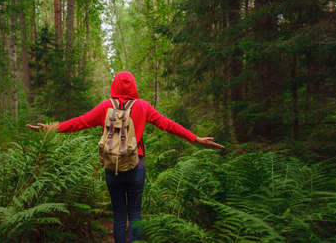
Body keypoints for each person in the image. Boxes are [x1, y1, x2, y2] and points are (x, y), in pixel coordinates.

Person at [27, 71, 224, 243]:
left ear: (114, 86)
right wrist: (195, 138)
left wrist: (49, 128)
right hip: (136, 165)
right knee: (135, 213)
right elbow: (168, 124)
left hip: (112, 167)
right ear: (134, 87)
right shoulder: (143, 107)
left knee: (120, 215)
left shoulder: (106, 106)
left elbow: (79, 122)